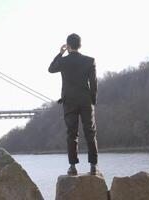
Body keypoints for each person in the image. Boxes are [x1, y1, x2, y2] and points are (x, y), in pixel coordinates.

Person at [48, 33, 99, 175]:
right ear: (80, 45)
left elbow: (51, 69)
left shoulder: (63, 61)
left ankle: (73, 167)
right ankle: (93, 166)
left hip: (69, 101)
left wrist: (60, 53)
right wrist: (92, 101)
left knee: (72, 134)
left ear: (68, 46)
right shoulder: (90, 61)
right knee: (90, 133)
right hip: (85, 101)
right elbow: (94, 84)